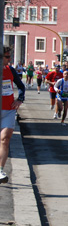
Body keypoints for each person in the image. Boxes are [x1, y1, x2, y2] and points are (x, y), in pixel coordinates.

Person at [0, 46, 25, 183]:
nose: (10, 59)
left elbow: (21, 86)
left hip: (8, 110)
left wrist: (20, 99)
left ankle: (0, 170)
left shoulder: (10, 70)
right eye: (7, 57)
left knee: (5, 139)